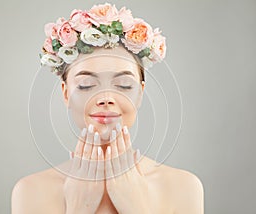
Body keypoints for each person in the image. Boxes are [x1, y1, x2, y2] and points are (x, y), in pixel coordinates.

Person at [11, 3, 204, 214]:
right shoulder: (31, 191)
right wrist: (78, 208)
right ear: (66, 93)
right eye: (86, 85)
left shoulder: (183, 187)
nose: (105, 98)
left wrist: (136, 208)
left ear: (140, 93)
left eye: (123, 85)